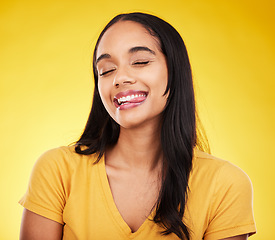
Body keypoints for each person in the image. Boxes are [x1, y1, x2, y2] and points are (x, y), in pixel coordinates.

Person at [19, 12, 256, 240]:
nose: (119, 78)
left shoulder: (226, 184)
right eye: (106, 70)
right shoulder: (57, 170)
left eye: (140, 61)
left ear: (175, 71)